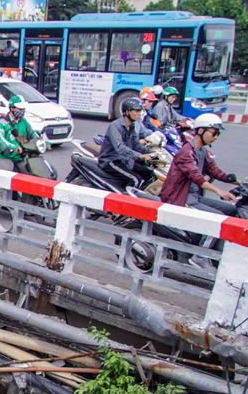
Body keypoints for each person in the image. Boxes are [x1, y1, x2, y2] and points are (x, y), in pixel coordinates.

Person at [160, 113, 238, 269]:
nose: (216, 137)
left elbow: (214, 171)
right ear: (201, 131)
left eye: (218, 134)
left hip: (195, 197)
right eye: (214, 133)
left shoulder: (202, 151)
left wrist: (237, 181)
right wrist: (219, 191)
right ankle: (200, 257)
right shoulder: (186, 152)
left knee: (231, 210)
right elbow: (197, 177)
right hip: (181, 199)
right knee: (219, 219)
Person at [96, 97, 156, 189]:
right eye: (136, 111)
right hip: (111, 161)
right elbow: (120, 148)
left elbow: (136, 145)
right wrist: (140, 156)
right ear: (127, 112)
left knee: (150, 173)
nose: (139, 114)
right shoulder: (115, 126)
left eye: (140, 111)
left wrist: (153, 153)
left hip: (125, 160)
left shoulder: (132, 126)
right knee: (135, 180)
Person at [0, 95, 39, 166]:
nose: (22, 111)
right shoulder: (2, 123)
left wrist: (41, 142)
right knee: (10, 174)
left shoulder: (23, 122)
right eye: (20, 109)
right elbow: (0, 139)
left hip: (20, 157)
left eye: (23, 109)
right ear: (12, 108)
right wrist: (14, 147)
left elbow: (32, 133)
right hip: (5, 157)